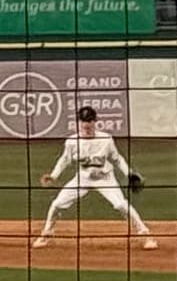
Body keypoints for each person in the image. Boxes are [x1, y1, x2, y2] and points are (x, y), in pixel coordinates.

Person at [34, 103, 154, 246]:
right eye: (83, 120)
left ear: (95, 121)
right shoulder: (72, 142)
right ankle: (46, 234)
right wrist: (54, 175)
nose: (86, 124)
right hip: (83, 178)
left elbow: (117, 159)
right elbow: (64, 160)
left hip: (105, 178)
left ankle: (146, 235)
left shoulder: (106, 139)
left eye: (89, 120)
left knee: (121, 205)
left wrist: (129, 173)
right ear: (78, 122)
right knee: (57, 204)